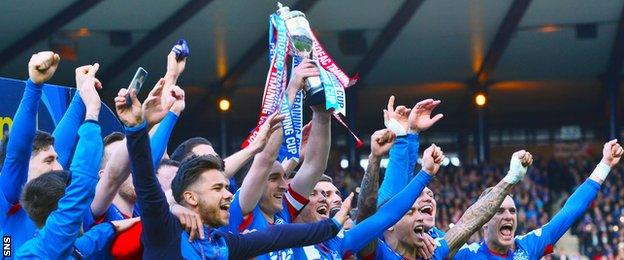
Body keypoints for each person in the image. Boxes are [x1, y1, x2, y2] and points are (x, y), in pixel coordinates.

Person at [115, 85, 352, 259]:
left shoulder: (224, 243)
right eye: (218, 188)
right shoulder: (164, 230)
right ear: (190, 197)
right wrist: (136, 128)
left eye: (227, 187)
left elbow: (277, 236)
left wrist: (332, 226)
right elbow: (145, 179)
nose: (229, 194)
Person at [16, 69, 136, 258]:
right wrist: (92, 113)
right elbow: (83, 181)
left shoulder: (66, 246)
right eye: (49, 161)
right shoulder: (43, 244)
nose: (58, 166)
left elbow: (89, 240)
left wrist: (81, 94)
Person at [453, 140, 624, 258]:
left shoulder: (528, 248)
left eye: (512, 210)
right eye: (499, 211)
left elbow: (570, 211)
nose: (508, 216)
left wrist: (605, 164)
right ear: (483, 221)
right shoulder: (464, 255)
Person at [293, 129, 446, 259]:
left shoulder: (339, 243)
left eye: (333, 193)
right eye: (314, 193)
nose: (324, 199)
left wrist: (426, 172)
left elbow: (388, 213)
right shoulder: (279, 236)